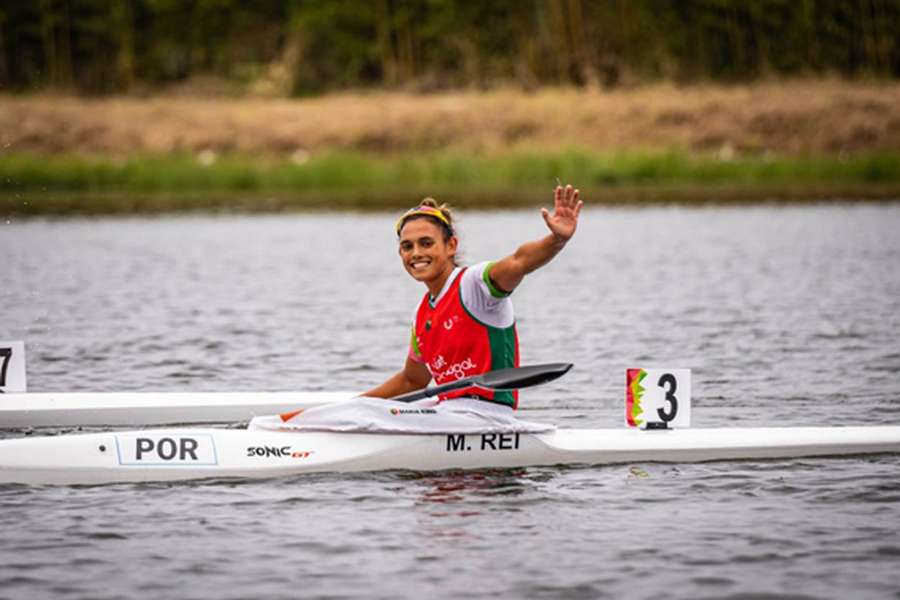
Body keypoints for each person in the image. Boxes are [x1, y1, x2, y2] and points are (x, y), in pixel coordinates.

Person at [363, 184, 583, 407]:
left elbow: (520, 262)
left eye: (426, 243)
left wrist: (557, 240)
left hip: (487, 418)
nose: (416, 253)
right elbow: (412, 380)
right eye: (407, 246)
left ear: (451, 246)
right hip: (447, 415)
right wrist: (355, 404)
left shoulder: (474, 285)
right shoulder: (420, 314)